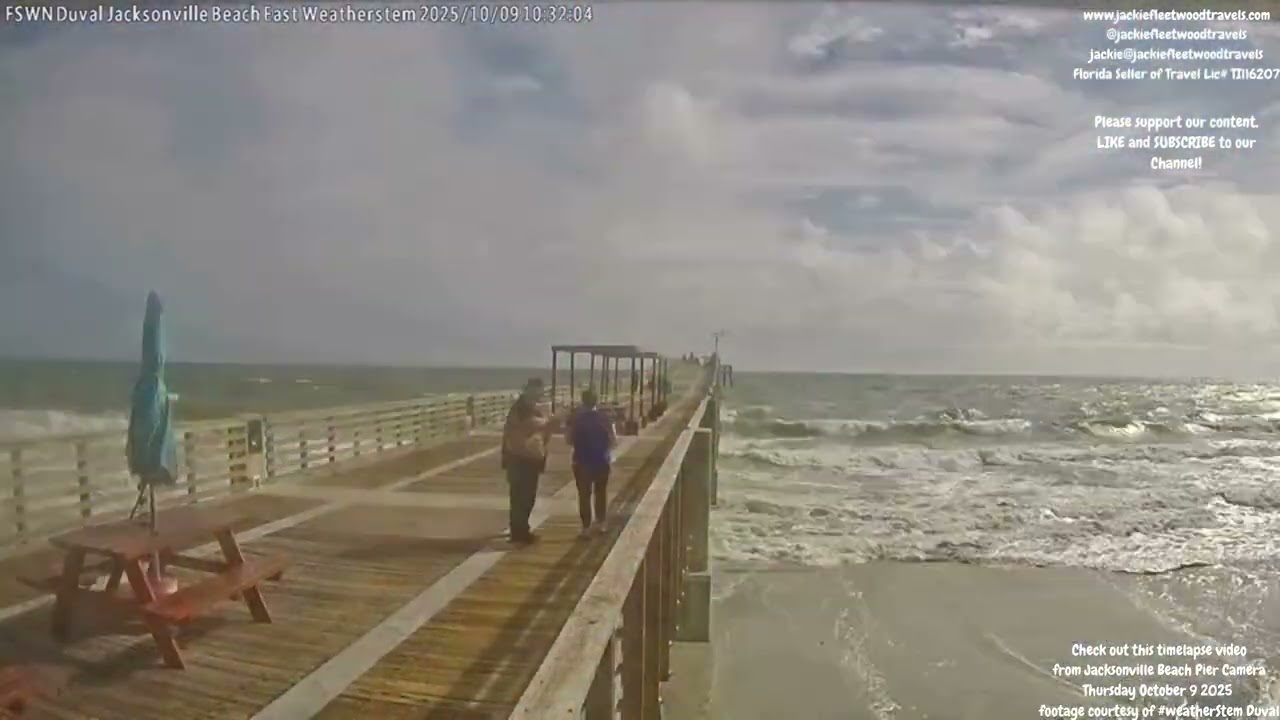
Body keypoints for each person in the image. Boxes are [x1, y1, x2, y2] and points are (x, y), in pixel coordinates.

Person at [502, 378, 554, 544]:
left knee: (525, 496)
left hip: (529, 459)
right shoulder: (521, 409)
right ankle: (520, 532)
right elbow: (528, 425)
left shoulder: (532, 408)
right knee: (521, 496)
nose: (540, 394)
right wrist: (549, 422)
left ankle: (519, 528)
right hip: (519, 459)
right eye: (538, 390)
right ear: (529, 390)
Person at [565, 387, 617, 537]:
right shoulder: (605, 418)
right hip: (601, 460)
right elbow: (613, 440)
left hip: (581, 461)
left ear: (583, 401)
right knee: (600, 493)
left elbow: (569, 440)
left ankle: (586, 527)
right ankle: (601, 523)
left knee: (584, 495)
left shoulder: (576, 419)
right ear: (596, 401)